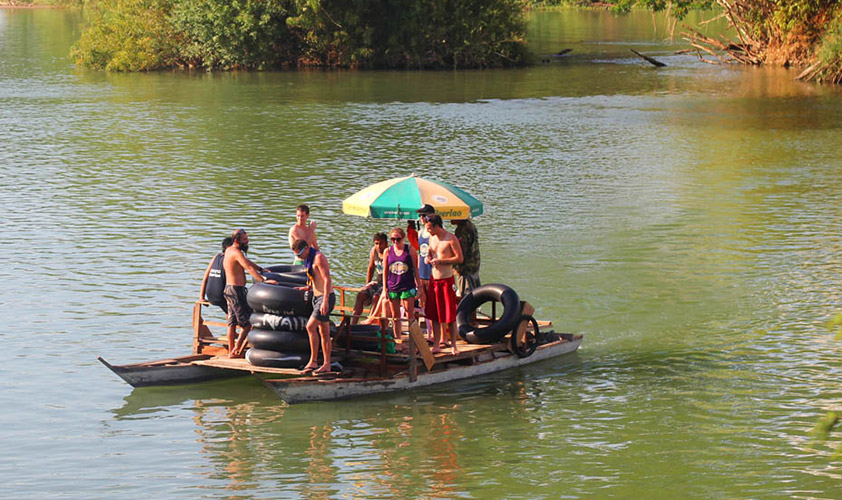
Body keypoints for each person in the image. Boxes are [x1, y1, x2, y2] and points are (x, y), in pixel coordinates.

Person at [223, 229, 275, 358]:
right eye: (245, 240)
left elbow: (248, 263)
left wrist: (261, 268)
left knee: (232, 323)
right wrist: (264, 280)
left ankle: (231, 351)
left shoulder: (229, 250)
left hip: (228, 289)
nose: (247, 241)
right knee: (248, 323)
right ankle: (236, 350)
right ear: (236, 241)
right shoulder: (236, 252)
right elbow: (248, 267)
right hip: (236, 291)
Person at [293, 239, 336, 375]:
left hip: (325, 298)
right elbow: (314, 277)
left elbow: (327, 279)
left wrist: (325, 301)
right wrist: (308, 287)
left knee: (310, 326)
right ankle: (326, 364)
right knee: (324, 332)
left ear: (306, 249)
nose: (299, 258)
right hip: (316, 297)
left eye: (300, 254)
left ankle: (313, 361)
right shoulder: (308, 258)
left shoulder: (318, 258)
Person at [424, 214, 463, 355]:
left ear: (436, 226)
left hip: (447, 279)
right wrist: (428, 259)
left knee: (449, 314)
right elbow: (429, 253)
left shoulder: (450, 239)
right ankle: (436, 344)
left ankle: (453, 345)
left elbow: (459, 258)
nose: (428, 231)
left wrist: (442, 261)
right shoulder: (431, 238)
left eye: (429, 228)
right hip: (434, 279)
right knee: (434, 314)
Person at [383, 227, 424, 347]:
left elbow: (415, 269)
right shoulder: (387, 251)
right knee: (395, 316)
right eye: (393, 239)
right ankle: (398, 341)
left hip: (407, 285)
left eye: (398, 239)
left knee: (409, 314)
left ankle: (413, 340)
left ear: (403, 238)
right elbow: (385, 270)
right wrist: (385, 288)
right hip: (392, 285)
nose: (395, 242)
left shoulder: (409, 250)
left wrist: (419, 286)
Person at [351, 232, 388, 325]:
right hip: (378, 280)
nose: (379, 246)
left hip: (388, 282)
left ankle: (371, 320)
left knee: (376, 297)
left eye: (381, 243)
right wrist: (367, 284)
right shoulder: (374, 251)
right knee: (361, 294)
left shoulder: (389, 252)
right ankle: (353, 323)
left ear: (386, 243)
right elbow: (371, 268)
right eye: (376, 243)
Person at [415, 205, 435, 337]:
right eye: (420, 215)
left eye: (424, 215)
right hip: (422, 273)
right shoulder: (420, 232)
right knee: (423, 304)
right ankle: (423, 332)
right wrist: (415, 273)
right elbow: (418, 253)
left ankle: (434, 333)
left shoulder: (435, 233)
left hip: (432, 273)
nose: (421, 218)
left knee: (433, 305)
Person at [200, 236, 234, 313]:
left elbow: (205, 277)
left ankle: (230, 322)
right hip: (221, 297)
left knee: (228, 311)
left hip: (211, 296)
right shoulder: (230, 259)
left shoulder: (216, 257)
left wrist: (202, 297)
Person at [452, 218, 481, 298]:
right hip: (474, 263)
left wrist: (455, 266)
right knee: (474, 292)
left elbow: (461, 251)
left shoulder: (462, 230)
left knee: (466, 295)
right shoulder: (470, 225)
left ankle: (469, 310)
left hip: (466, 268)